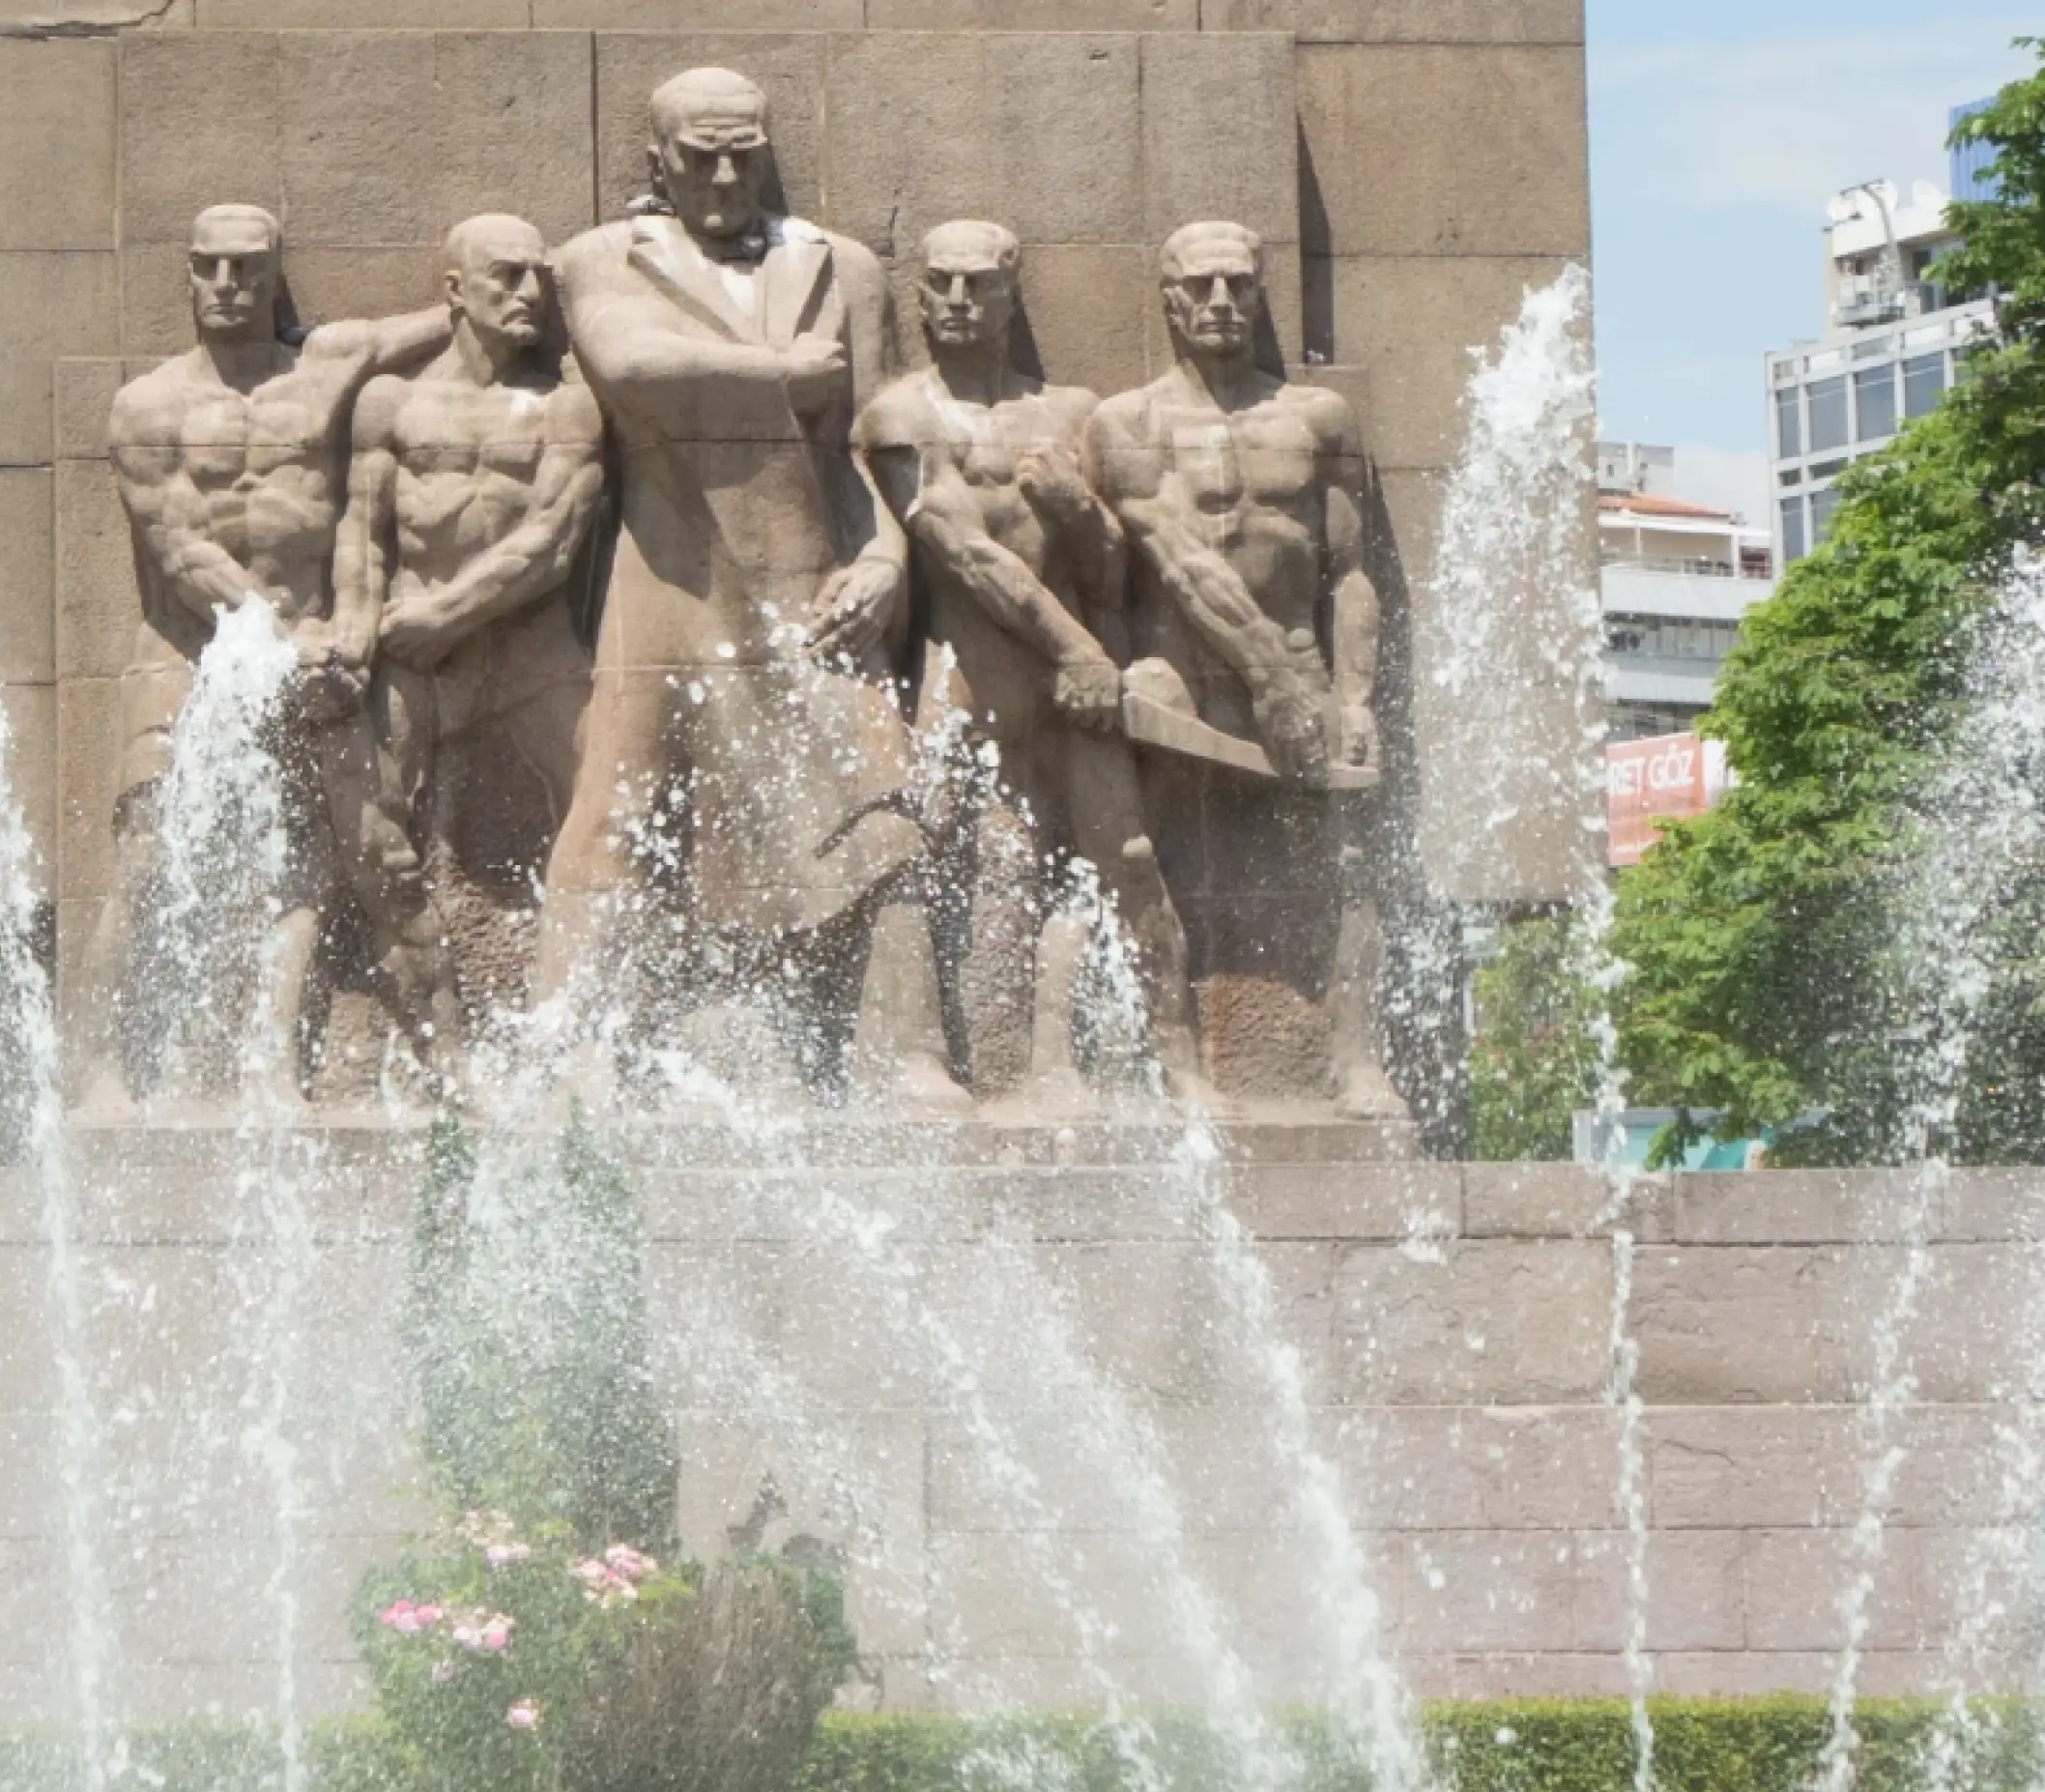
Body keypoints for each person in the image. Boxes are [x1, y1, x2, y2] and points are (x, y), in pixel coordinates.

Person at [534, 68, 965, 1108]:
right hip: (669, 581)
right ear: (659, 162)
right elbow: (629, 366)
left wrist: (886, 561)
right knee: (619, 807)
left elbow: (873, 441)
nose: (726, 178)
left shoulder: (842, 267)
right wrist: (784, 373)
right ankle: (566, 1051)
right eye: (701, 158)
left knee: (882, 800)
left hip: (816, 576)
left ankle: (908, 1050)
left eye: (744, 155)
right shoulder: (601, 257)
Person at [77, 204, 448, 1110]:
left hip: (311, 648)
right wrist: (281, 643)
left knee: (301, 864)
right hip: (190, 649)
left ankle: (273, 1063)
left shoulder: (327, 370)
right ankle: (96, 1068)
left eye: (246, 266)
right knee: (146, 855)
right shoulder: (148, 406)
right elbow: (181, 552)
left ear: (274, 272)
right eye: (208, 265)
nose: (227, 284)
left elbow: (450, 316)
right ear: (186, 272)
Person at [853, 218, 1200, 1103]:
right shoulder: (899, 416)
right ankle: (914, 1056)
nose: (959, 301)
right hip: (966, 676)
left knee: (1128, 860)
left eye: (979, 284)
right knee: (912, 854)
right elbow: (964, 555)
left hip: (1072, 688)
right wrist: (1081, 651)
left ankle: (1179, 1069)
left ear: (1012, 295)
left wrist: (1079, 510)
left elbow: (1114, 575)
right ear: (918, 298)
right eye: (942, 283)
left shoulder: (1073, 414)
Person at [1086, 218, 1399, 1114]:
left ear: (1262, 295)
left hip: (1303, 667)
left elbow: (1351, 574)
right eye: (1200, 286)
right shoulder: (1127, 423)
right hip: (1183, 675)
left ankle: (1357, 1060)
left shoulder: (1317, 419)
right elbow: (1176, 559)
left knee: (1352, 863)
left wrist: (1354, 699)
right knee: (1135, 851)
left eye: (1238, 284)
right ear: (1169, 301)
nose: (1220, 302)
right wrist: (1271, 682)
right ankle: (1173, 1059)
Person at [335, 213, 611, 1079]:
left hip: (530, 648)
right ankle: (443, 1039)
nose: (530, 293)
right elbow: (361, 535)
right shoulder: (391, 402)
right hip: (413, 651)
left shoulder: (569, 406)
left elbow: (554, 542)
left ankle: (576, 1038)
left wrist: (447, 614)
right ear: (455, 291)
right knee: (368, 830)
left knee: (615, 802)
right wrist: (353, 634)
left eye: (539, 277)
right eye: (506, 275)